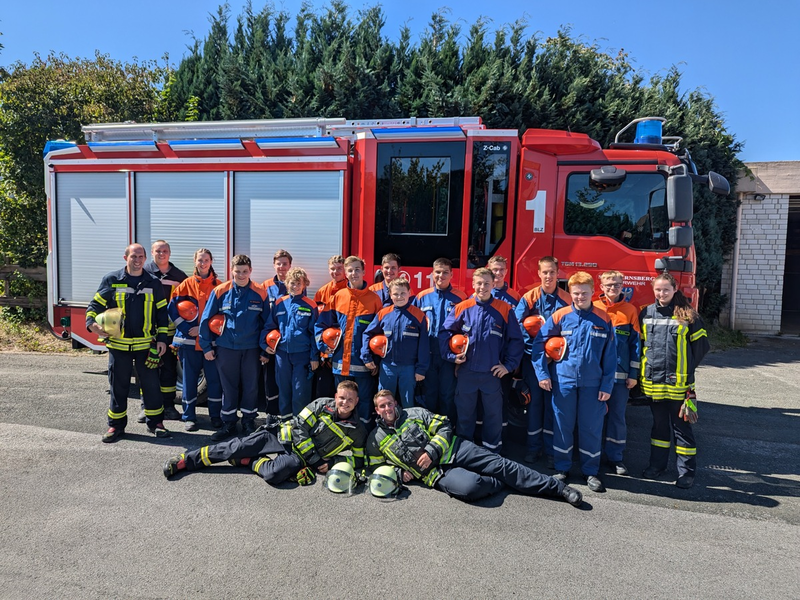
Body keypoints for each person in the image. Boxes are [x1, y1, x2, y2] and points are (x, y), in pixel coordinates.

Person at [365, 390, 582, 506]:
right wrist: (398, 473)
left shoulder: (415, 413)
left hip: (455, 449)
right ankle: (503, 482)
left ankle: (558, 489)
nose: (387, 408)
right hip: (437, 474)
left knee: (500, 465)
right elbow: (374, 467)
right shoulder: (375, 439)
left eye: (390, 403)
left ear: (396, 403)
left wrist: (432, 451)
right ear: (377, 410)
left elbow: (444, 426)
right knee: (471, 489)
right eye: (382, 406)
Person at [163, 381, 367, 486]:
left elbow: (358, 460)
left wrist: (330, 464)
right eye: (342, 398)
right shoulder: (322, 404)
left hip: (299, 458)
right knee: (236, 447)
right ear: (335, 396)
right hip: (282, 436)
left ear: (356, 401)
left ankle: (247, 462)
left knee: (274, 475)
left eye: (350, 400)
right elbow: (299, 428)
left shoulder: (357, 431)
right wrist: (315, 459)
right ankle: (185, 460)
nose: (345, 402)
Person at [534, 271, 616, 493]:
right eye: (576, 293)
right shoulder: (560, 316)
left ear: (592, 292)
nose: (580, 297)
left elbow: (610, 355)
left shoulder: (604, 318)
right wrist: (542, 374)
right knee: (563, 427)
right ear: (570, 293)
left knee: (591, 429)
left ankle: (591, 472)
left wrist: (607, 386)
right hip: (564, 382)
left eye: (584, 293)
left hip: (593, 385)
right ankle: (562, 468)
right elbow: (539, 344)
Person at [86, 243, 171, 442]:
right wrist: (92, 324)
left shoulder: (153, 282)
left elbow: (161, 312)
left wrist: (162, 339)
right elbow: (94, 305)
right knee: (119, 387)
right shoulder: (112, 280)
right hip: (119, 346)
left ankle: (156, 423)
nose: (138, 260)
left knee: (151, 386)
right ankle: (115, 427)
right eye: (134, 256)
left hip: (145, 346)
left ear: (145, 258)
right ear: (126, 258)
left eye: (141, 256)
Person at [439, 267, 524, 454]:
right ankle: (464, 454)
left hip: (491, 374)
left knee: (493, 416)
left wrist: (508, 366)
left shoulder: (504, 309)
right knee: (465, 416)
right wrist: (452, 357)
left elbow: (516, 340)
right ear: (473, 284)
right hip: (466, 372)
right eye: (479, 283)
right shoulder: (462, 307)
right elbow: (445, 333)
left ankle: (492, 456)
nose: (482, 287)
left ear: (494, 284)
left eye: (487, 283)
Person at [639, 272, 709, 489]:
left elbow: (701, 347)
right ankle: (656, 466)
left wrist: (686, 370)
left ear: (675, 289)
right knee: (659, 428)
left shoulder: (688, 316)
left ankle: (686, 473)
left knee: (682, 430)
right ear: (653, 290)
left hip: (679, 386)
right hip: (654, 385)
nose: (662, 293)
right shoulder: (646, 313)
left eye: (666, 289)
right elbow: (641, 347)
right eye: (658, 289)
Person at [199, 254, 269, 441]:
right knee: (228, 387)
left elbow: (267, 324)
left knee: (251, 386)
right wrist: (206, 347)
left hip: (251, 349)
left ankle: (248, 422)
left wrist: (264, 350)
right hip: (226, 348)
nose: (241, 275)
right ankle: (229, 423)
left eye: (245, 271)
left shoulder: (260, 292)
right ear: (231, 271)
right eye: (237, 271)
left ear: (250, 271)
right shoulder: (220, 291)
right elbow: (206, 319)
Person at [514, 256, 571, 466]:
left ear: (558, 273)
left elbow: (573, 326)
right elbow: (518, 325)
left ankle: (552, 451)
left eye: (552, 272)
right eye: (544, 272)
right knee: (535, 405)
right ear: (539, 274)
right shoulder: (530, 297)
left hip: (560, 361)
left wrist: (554, 350)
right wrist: (538, 349)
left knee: (554, 406)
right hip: (534, 360)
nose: (548, 276)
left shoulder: (566, 298)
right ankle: (533, 448)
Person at [315, 256, 382, 427]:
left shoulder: (374, 300)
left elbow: (380, 334)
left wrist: (375, 361)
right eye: (350, 270)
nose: (354, 273)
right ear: (346, 273)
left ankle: (363, 436)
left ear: (364, 271)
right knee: (342, 403)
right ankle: (341, 435)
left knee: (364, 402)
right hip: (339, 365)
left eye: (357, 269)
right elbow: (321, 325)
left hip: (364, 366)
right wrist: (325, 349)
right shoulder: (338, 296)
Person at [167, 248, 223, 431]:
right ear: (195, 261)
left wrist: (204, 329)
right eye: (200, 260)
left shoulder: (220, 286)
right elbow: (172, 309)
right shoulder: (185, 285)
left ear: (211, 261)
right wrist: (184, 328)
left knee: (214, 382)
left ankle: (215, 416)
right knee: (189, 382)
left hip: (211, 345)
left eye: (206, 260)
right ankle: (189, 416)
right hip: (188, 344)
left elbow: (224, 315)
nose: (203, 263)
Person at [593, 270, 641, 476]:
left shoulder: (630, 310)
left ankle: (616, 458)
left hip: (619, 378)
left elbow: (635, 345)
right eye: (609, 285)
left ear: (623, 286)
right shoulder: (593, 307)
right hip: (594, 376)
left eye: (617, 284)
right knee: (592, 418)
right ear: (601, 286)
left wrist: (633, 374)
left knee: (617, 418)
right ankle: (591, 454)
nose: (613, 288)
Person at [412, 258, 467, 424]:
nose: (441, 275)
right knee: (429, 395)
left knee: (447, 395)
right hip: (428, 355)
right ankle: (429, 430)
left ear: (451, 274)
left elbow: (466, 328)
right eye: (437, 272)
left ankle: (447, 431)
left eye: (445, 272)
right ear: (432, 274)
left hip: (449, 358)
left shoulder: (460, 298)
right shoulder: (422, 297)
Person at [261, 267, 320, 420]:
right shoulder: (280, 303)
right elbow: (269, 326)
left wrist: (314, 357)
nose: (295, 286)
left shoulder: (310, 305)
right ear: (287, 284)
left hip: (302, 356)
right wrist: (264, 346)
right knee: (284, 391)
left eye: (298, 283)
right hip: (282, 355)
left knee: (300, 392)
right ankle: (286, 424)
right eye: (292, 283)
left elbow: (315, 333)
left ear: (304, 284)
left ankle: (300, 426)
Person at [362, 278, 429, 409]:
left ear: (409, 293)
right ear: (390, 295)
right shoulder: (383, 313)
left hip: (409, 368)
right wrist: (366, 356)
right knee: (384, 402)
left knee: (408, 404)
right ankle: (384, 428)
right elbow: (367, 333)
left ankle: (409, 428)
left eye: (403, 293)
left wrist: (421, 369)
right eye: (396, 294)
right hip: (387, 367)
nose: (399, 297)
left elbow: (424, 345)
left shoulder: (418, 315)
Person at [141, 239, 188, 422]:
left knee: (169, 369)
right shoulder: (143, 274)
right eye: (158, 251)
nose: (162, 254)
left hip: (170, 332)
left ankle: (168, 406)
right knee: (147, 370)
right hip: (147, 331)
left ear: (170, 253)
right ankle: (146, 407)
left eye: (165, 251)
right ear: (152, 253)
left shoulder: (179, 276)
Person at [262, 249, 293, 414]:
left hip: (288, 343)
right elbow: (261, 316)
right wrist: (263, 347)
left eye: (285, 264)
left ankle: (286, 415)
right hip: (270, 341)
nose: (282, 267)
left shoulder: (295, 285)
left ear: (290, 265)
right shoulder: (266, 286)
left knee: (286, 382)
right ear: (274, 265)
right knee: (270, 382)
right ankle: (271, 415)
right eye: (279, 263)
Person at [313, 255, 347, 398]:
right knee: (324, 388)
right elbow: (317, 322)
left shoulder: (349, 290)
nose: (336, 271)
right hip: (326, 351)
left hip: (344, 348)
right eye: (332, 268)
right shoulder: (322, 291)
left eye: (339, 268)